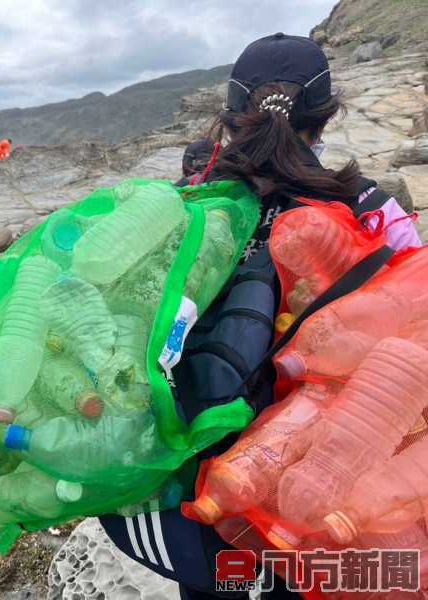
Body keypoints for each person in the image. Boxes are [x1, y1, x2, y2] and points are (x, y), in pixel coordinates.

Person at [100, 33, 421, 600]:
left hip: (190, 490)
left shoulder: (184, 206)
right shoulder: (373, 214)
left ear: (230, 118)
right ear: (324, 119)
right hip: (306, 497)